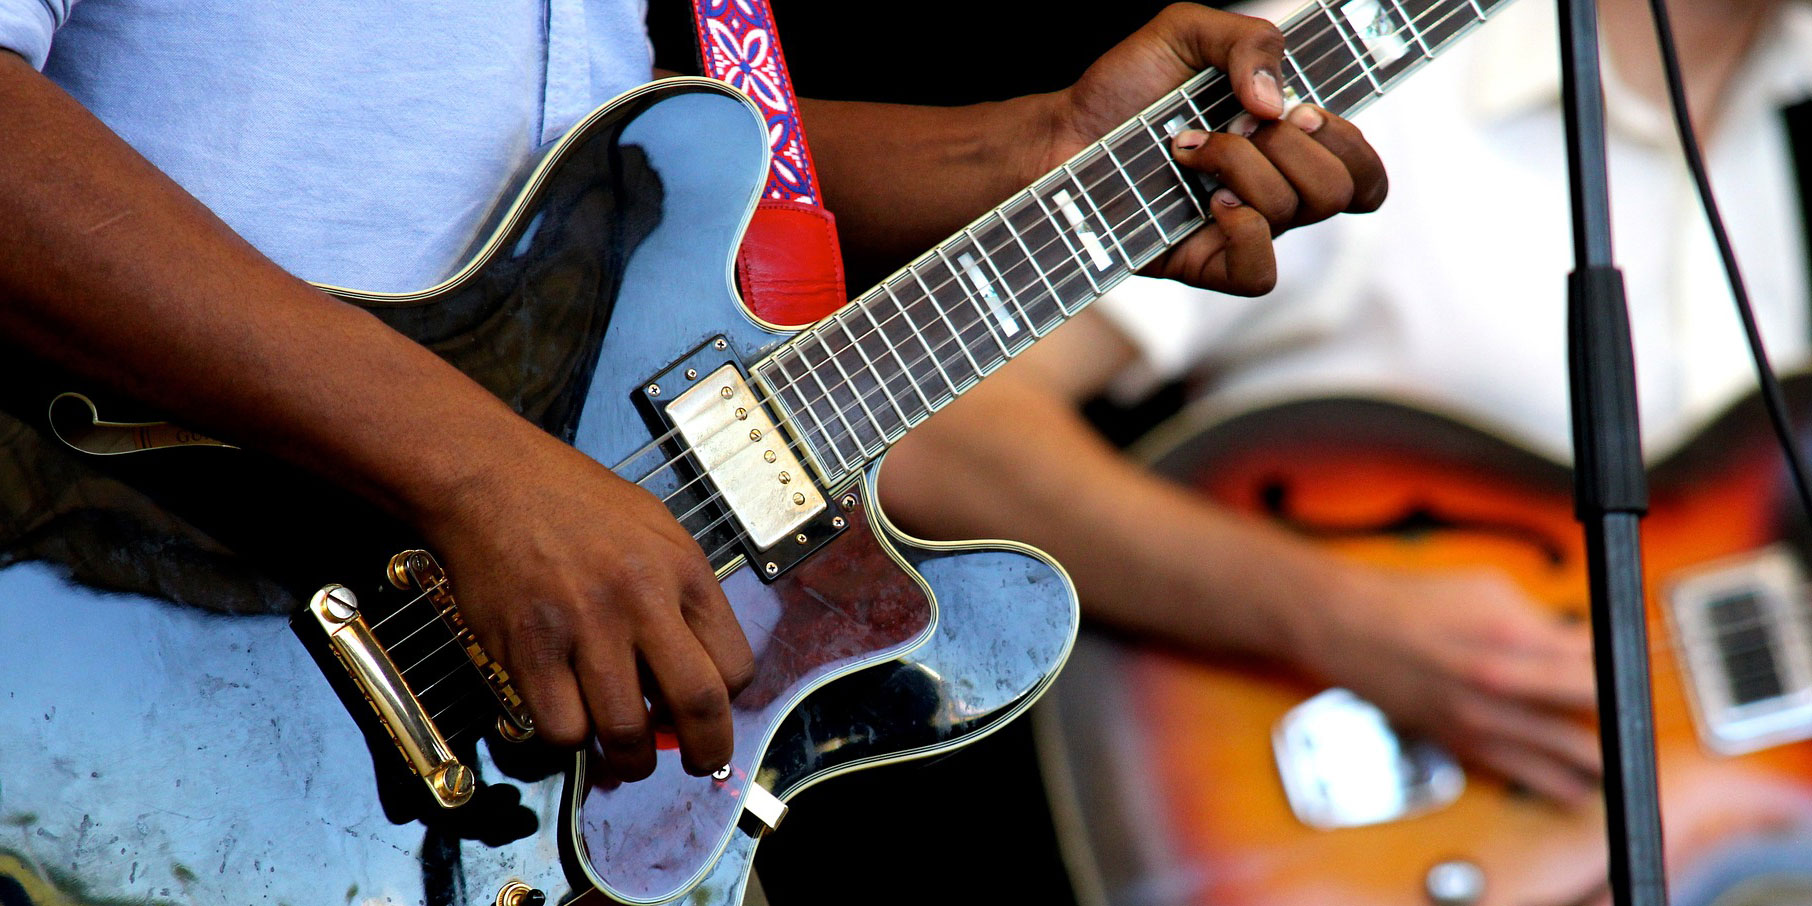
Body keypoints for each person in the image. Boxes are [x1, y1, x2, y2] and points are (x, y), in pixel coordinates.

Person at [0, 3, 1385, 786]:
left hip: (478, 759)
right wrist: (479, 473)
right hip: (117, 626)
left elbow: (615, 175)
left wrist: (1041, 147)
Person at [875, 0, 1812, 898]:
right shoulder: (1355, 57)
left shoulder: (1770, 137)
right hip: (1261, 785)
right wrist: (1340, 619)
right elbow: (932, 426)